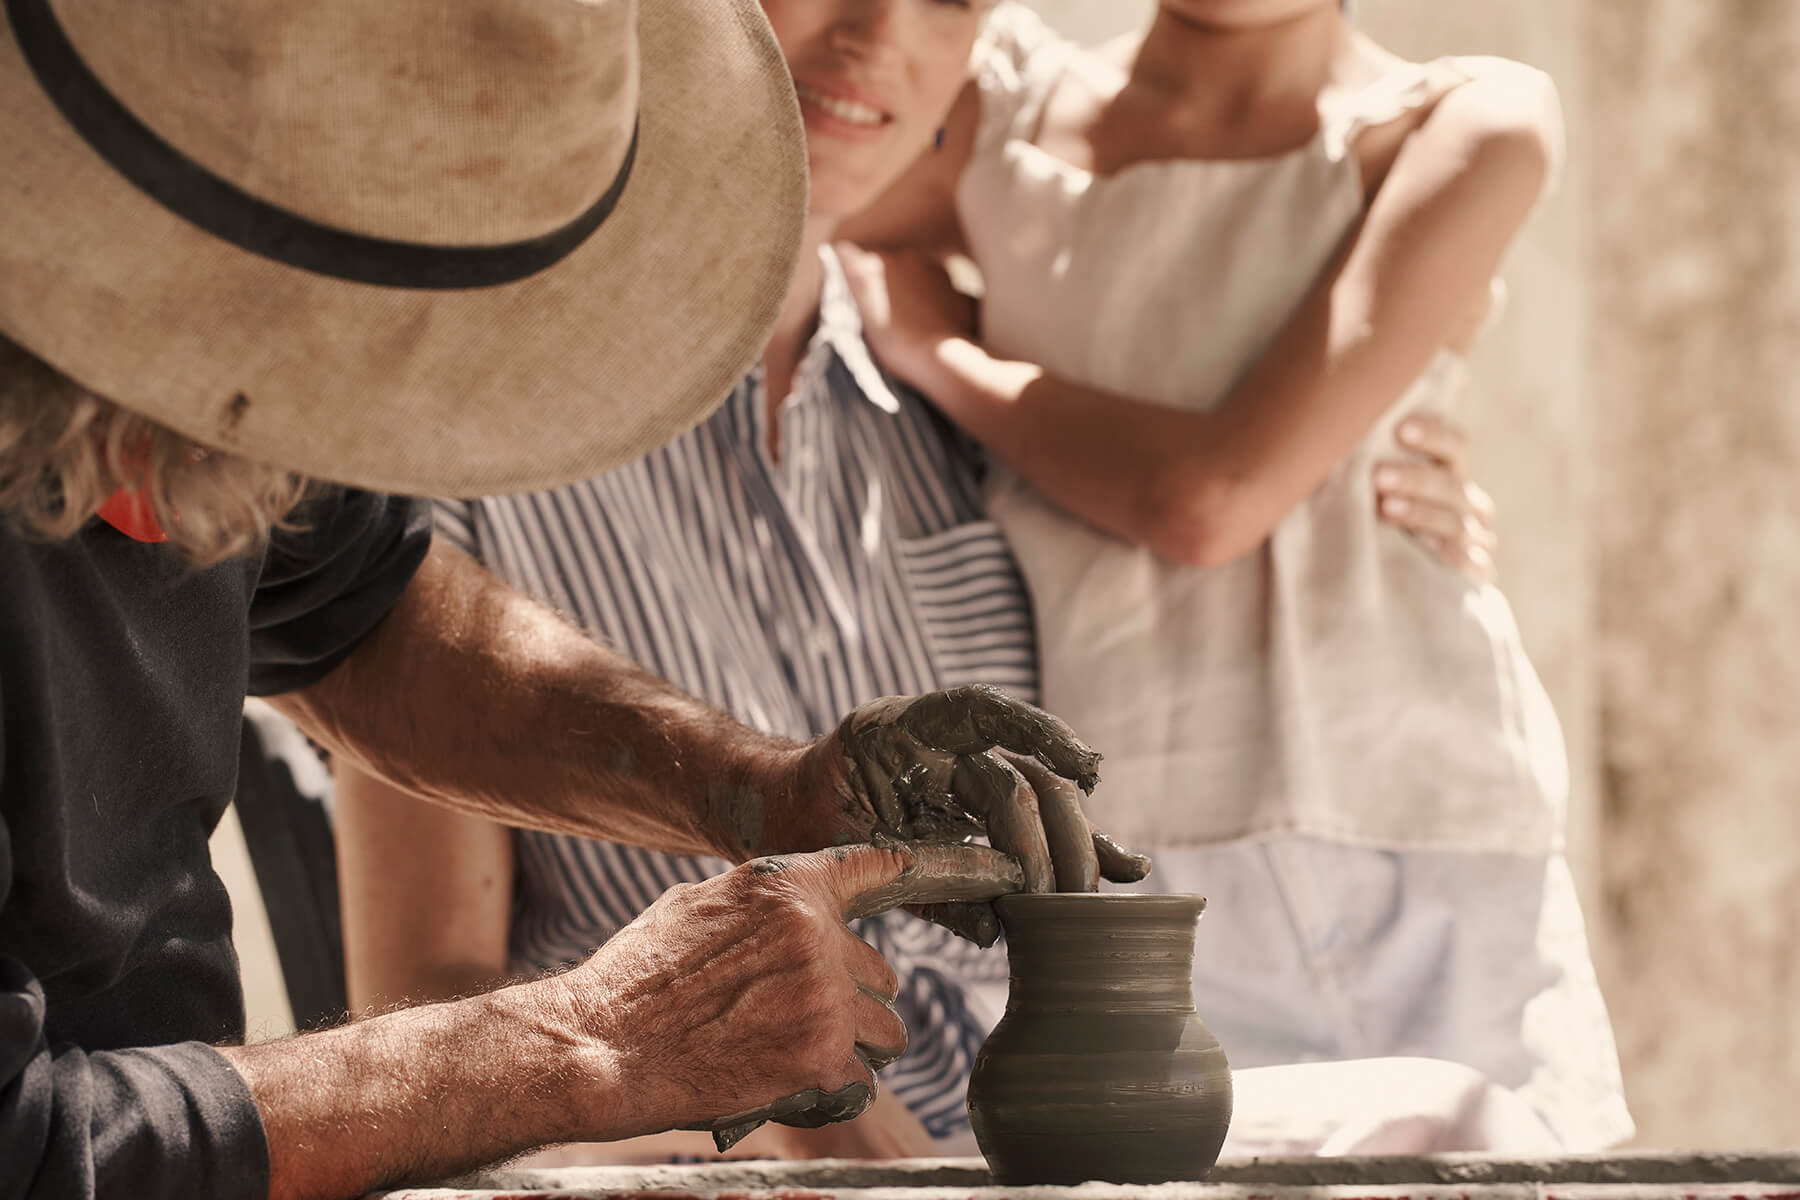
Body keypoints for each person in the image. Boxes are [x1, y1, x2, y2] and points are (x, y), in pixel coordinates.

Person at [334, 0, 1507, 1161]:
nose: (876, 33)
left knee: (1473, 1131)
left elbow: (1206, 511)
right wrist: (748, 1104)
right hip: (676, 1156)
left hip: (1021, 1142)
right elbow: (427, 995)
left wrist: (1387, 502)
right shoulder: (456, 440)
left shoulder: (976, 419)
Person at [0, 2, 1120, 1197]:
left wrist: (765, 790)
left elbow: (360, 610)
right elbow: (30, 1149)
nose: (371, 368)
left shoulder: (215, 332)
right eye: (357, 299)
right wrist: (599, 1040)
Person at [835, 0, 1632, 1148]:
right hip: (1134, 862)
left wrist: (943, 355)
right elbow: (770, 197)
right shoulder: (995, 113)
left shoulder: (1464, 123)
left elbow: (1209, 503)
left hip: (1426, 833)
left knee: (1508, 1159)